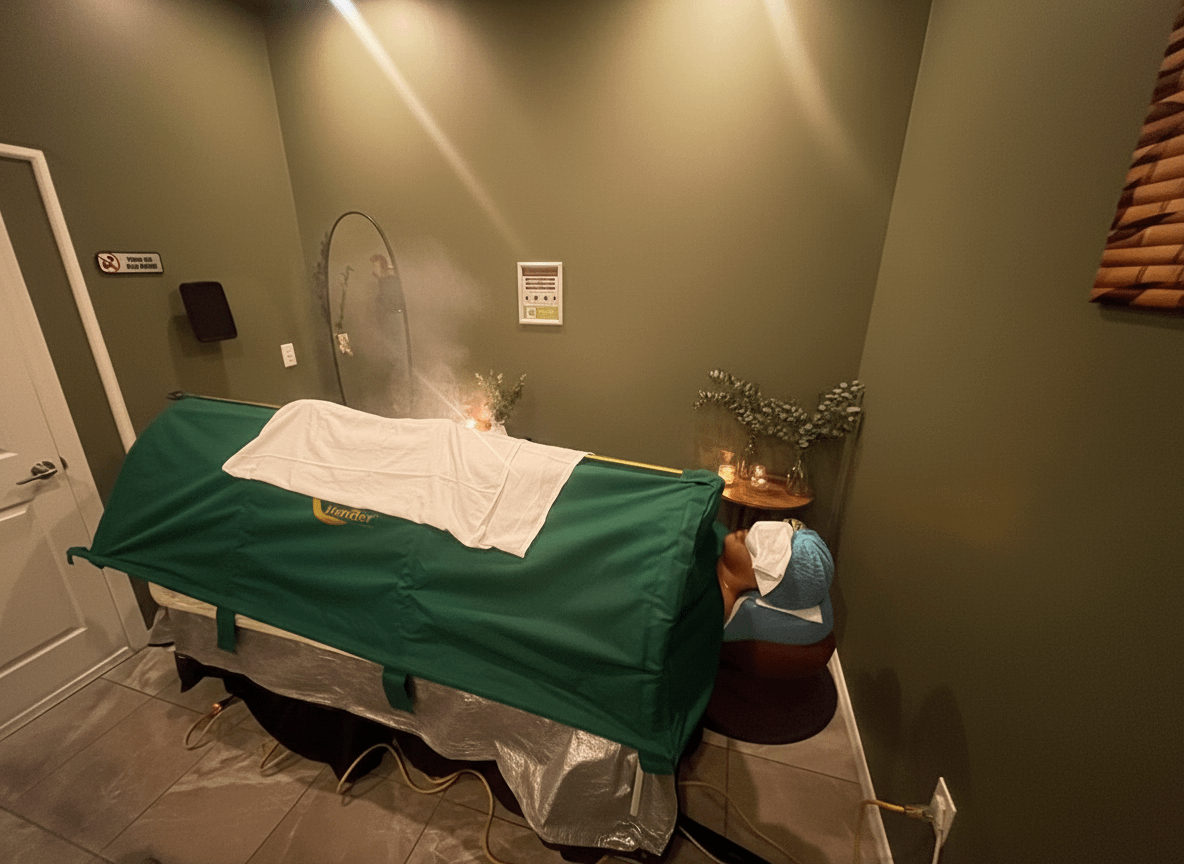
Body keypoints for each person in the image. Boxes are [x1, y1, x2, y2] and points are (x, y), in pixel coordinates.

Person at [714, 520, 836, 680]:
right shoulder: (722, 535)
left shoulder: (716, 609)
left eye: (770, 549)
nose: (754, 530)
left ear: (766, 584)